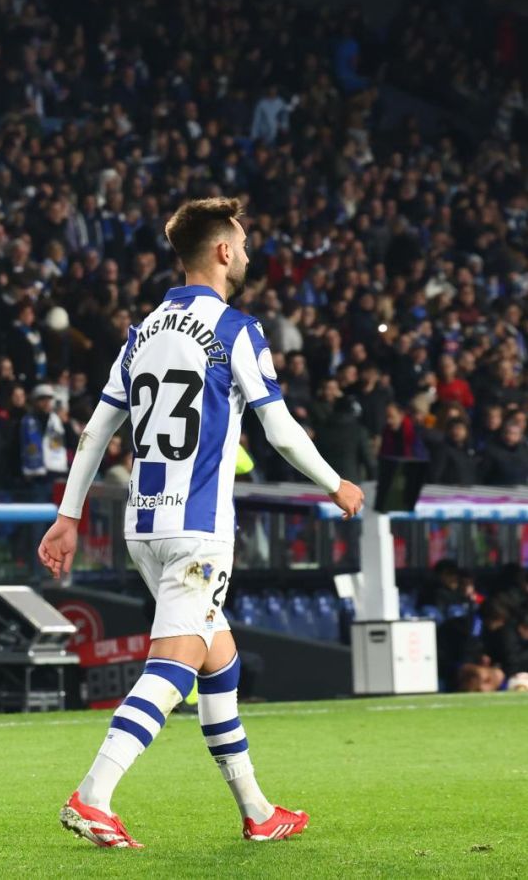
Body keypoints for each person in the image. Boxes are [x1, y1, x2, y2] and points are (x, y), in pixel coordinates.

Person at [37, 198, 364, 848]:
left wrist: (66, 516)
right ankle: (93, 794)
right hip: (197, 527)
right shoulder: (237, 328)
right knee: (175, 665)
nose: (244, 254)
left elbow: (96, 431)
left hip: (144, 524)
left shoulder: (142, 331)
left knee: (219, 662)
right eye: (240, 244)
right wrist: (335, 482)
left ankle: (257, 811)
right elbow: (277, 427)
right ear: (220, 251)